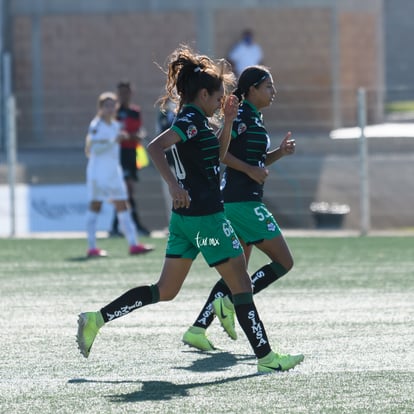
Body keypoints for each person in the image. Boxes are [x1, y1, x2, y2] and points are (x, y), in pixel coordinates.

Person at [76, 46, 303, 373]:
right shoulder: (191, 121)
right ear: (203, 94)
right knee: (241, 286)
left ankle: (96, 319)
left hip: (185, 220)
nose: (220, 102)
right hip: (206, 218)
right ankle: (266, 359)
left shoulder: (196, 119)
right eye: (217, 97)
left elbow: (218, 154)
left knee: (165, 291)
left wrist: (226, 120)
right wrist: (173, 185)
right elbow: (156, 147)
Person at [182, 65, 297, 352]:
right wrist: (249, 169)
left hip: (239, 201)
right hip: (241, 203)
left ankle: (197, 329)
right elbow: (221, 153)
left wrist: (279, 154)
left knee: (238, 271)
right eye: (268, 86)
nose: (274, 92)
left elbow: (256, 165)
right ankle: (232, 301)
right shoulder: (242, 117)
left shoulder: (254, 119)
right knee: (284, 262)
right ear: (252, 89)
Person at [84, 92, 154, 257]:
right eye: (106, 105)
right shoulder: (96, 125)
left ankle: (133, 244)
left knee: (124, 205)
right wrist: (113, 141)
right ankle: (92, 247)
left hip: (114, 173)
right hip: (97, 174)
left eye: (112, 105)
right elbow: (93, 149)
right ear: (100, 108)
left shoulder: (116, 126)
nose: (110, 108)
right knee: (96, 206)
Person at [109, 81, 151, 238]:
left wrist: (130, 136)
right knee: (125, 190)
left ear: (131, 93)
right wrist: (129, 136)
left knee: (127, 191)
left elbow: (137, 133)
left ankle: (116, 227)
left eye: (126, 92)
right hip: (117, 155)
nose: (123, 95)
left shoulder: (135, 112)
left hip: (131, 153)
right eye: (121, 92)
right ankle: (132, 225)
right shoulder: (113, 112)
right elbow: (114, 135)